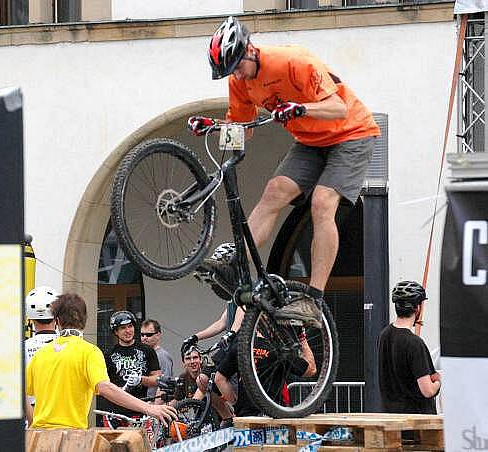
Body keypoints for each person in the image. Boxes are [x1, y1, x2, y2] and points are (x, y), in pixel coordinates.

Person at [188, 16, 381, 327]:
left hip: (351, 134)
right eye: (230, 71)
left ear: (249, 50)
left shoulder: (294, 61)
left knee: (321, 202)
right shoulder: (238, 81)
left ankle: (313, 300)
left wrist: (300, 107)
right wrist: (212, 127)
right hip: (310, 141)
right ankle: (237, 262)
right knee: (274, 192)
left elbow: (338, 108)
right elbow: (243, 129)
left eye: (238, 65)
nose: (236, 74)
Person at [25, 294, 176, 429]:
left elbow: (23, 393)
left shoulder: (41, 354)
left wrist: (32, 422)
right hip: (69, 436)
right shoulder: (89, 352)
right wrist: (149, 408)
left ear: (57, 321)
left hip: (38, 437)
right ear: (84, 321)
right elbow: (105, 388)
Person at [214, 329, 317, 417]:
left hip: (245, 417)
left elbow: (219, 379)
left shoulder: (240, 347)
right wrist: (302, 338)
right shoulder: (280, 350)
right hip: (273, 415)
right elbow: (311, 370)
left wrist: (235, 403)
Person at [377, 281, 440, 414]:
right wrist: (439, 382)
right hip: (416, 422)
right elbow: (427, 390)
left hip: (391, 417)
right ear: (418, 308)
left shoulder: (384, 335)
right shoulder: (414, 343)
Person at [104, 311, 162, 423]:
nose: (128, 331)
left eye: (130, 326)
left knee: (141, 441)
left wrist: (140, 379)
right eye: (123, 328)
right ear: (116, 331)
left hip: (141, 412)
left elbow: (157, 380)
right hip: (115, 414)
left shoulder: (147, 350)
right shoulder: (108, 354)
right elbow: (104, 385)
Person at [24, 286, 60, 406]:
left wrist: (32, 422)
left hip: (31, 414)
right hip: (64, 417)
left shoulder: (22, 349)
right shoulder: (71, 345)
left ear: (30, 318)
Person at [140, 318, 174, 399]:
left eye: (148, 335)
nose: (144, 338)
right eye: (142, 334)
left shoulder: (162, 356)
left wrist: (155, 406)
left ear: (158, 335)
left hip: (153, 403)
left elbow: (164, 385)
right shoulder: (141, 354)